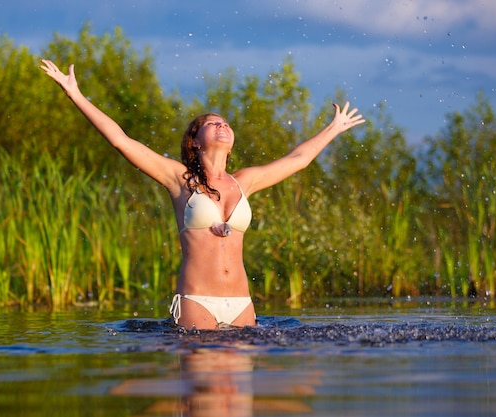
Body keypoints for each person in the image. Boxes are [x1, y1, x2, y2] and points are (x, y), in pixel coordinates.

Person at [40, 59, 365, 330]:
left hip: (242, 305)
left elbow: (298, 160)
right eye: (212, 123)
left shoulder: (244, 181)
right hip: (197, 302)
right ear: (195, 141)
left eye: (225, 123)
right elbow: (121, 141)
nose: (222, 125)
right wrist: (75, 94)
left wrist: (333, 128)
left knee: (237, 405)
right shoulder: (179, 180)